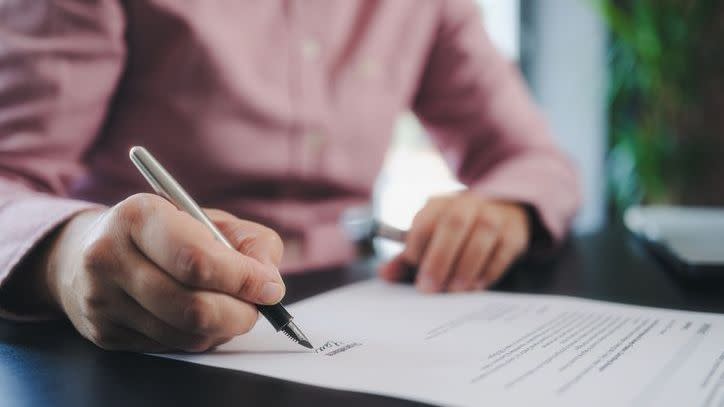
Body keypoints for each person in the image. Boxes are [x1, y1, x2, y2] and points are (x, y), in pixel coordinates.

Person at [0, 1, 580, 352]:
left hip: (364, 298)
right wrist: (66, 254)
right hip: (137, 327)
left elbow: (535, 161)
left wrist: (504, 207)